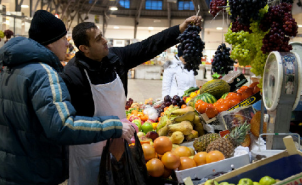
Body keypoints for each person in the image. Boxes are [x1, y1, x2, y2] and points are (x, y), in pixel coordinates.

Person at [0, 10, 135, 185]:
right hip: (35, 172)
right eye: (64, 38)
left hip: (10, 168)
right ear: (51, 42)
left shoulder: (11, 68)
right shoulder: (44, 73)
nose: (67, 44)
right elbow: (62, 126)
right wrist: (114, 126)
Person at [61, 16, 202, 185]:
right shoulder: (72, 74)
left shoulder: (115, 58)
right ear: (84, 48)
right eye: (98, 39)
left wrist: (179, 29)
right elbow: (70, 121)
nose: (105, 40)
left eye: (102, 35)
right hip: (88, 151)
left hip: (120, 144)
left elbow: (148, 46)